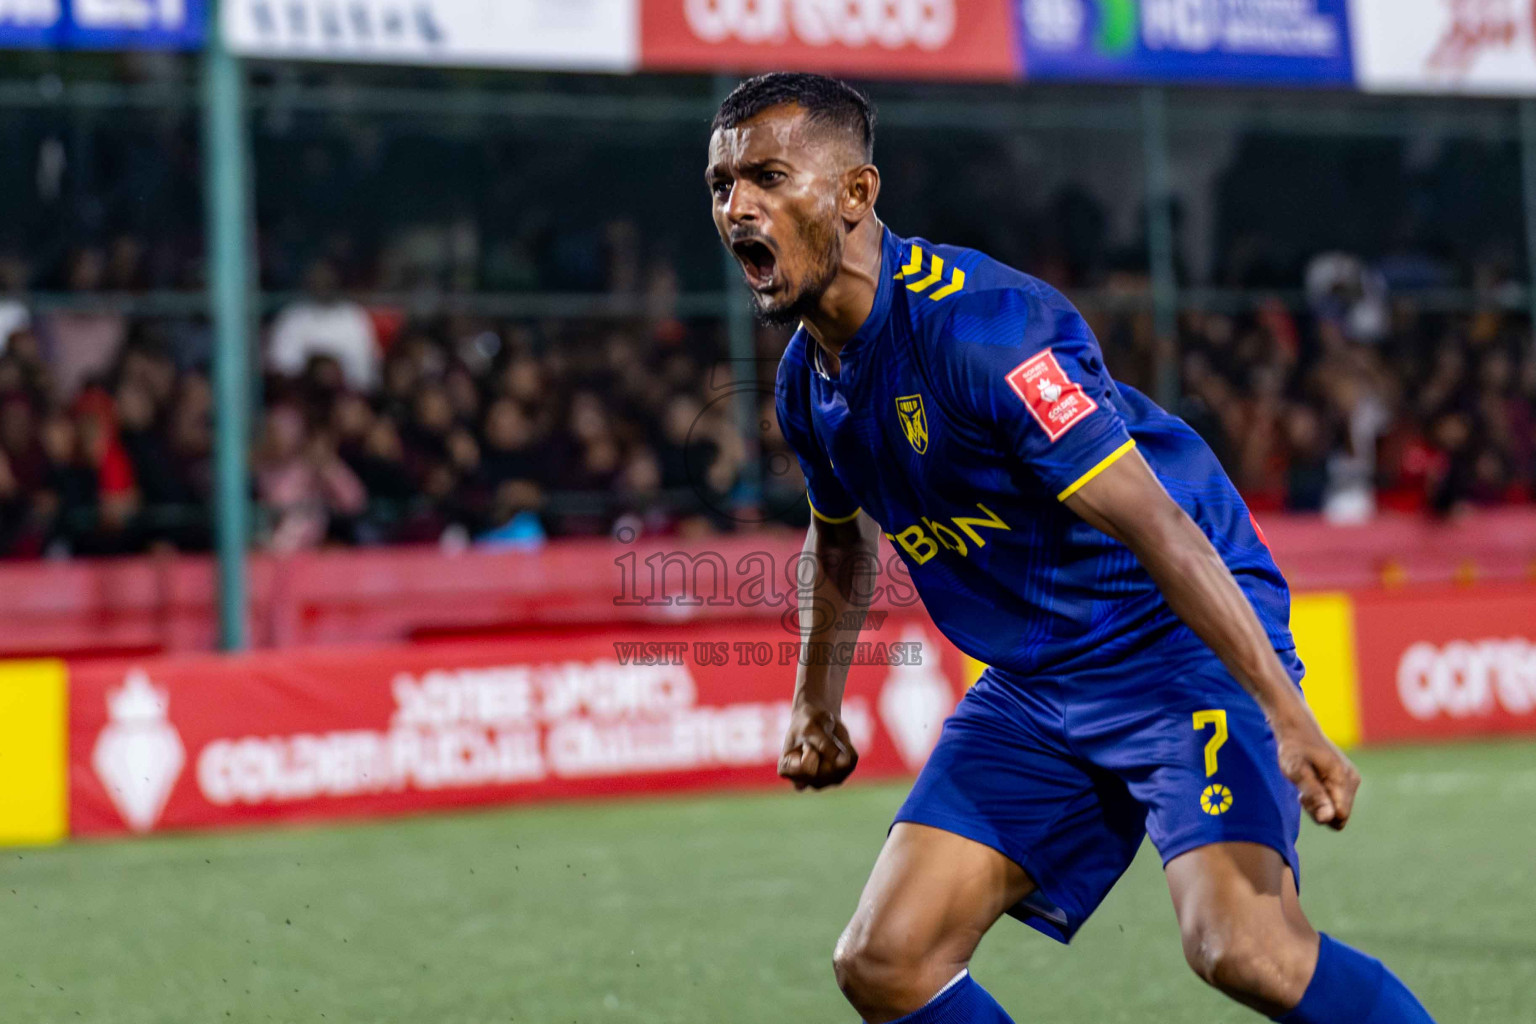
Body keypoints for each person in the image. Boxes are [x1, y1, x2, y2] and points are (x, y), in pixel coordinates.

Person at [706, 73, 1437, 1024]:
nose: (738, 208)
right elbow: (840, 543)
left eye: (767, 176)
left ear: (855, 194)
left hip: (1172, 640)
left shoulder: (985, 330)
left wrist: (1284, 710)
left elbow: (1159, 524)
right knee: (886, 960)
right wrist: (815, 703)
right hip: (1037, 682)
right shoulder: (808, 382)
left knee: (1243, 949)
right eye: (722, 185)